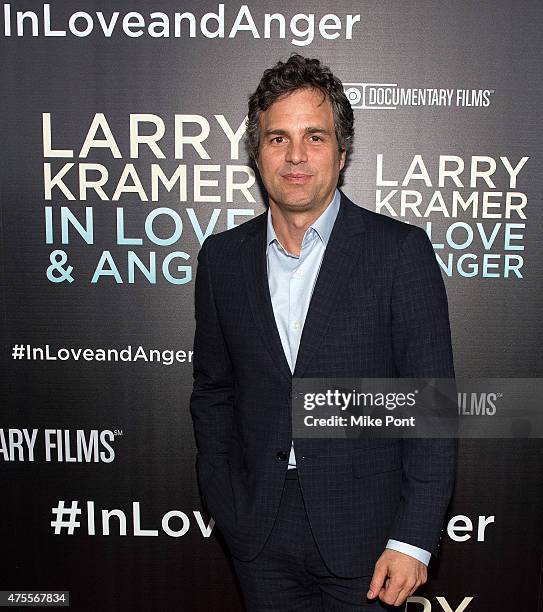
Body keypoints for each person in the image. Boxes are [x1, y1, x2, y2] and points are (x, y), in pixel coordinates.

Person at [190, 54, 456, 611]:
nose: (295, 157)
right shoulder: (221, 259)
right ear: (255, 152)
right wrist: (225, 498)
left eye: (314, 136)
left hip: (369, 534)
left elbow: (431, 408)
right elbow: (214, 390)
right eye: (277, 138)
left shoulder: (399, 253)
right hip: (257, 530)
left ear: (342, 151)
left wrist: (412, 540)